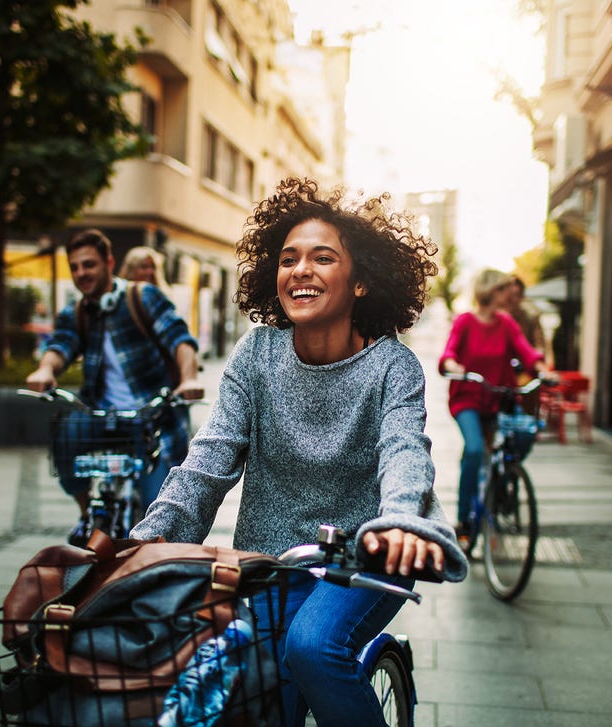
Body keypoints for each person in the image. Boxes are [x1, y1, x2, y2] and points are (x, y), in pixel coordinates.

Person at [131, 178, 468, 727]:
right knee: (258, 699)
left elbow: (405, 451)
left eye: (322, 258)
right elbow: (208, 461)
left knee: (312, 648)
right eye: (288, 259)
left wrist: (402, 521)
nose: (300, 270)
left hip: (366, 558)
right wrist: (150, 541)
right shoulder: (256, 354)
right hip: (270, 563)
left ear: (360, 282)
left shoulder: (392, 367)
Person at [25, 229, 204, 545]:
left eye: (89, 265)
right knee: (64, 438)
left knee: (157, 515)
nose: (82, 273)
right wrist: (44, 369)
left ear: (109, 262)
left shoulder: (142, 297)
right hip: (102, 415)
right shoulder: (77, 312)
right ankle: (86, 515)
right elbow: (60, 346)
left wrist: (189, 378)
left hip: (152, 418)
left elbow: (179, 339)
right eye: (76, 267)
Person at [438, 268, 546, 541]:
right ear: (490, 291)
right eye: (504, 288)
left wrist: (543, 369)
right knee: (474, 450)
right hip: (468, 399)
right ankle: (464, 521)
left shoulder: (507, 323)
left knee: (526, 434)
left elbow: (527, 351)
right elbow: (449, 352)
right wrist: (453, 365)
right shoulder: (465, 322)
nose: (510, 293)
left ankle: (504, 479)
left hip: (500, 397)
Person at [506, 275, 547, 361]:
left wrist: (537, 356)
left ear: (522, 297)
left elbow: (539, 345)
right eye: (510, 295)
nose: (512, 300)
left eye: (516, 295)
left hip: (524, 365)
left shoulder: (530, 316)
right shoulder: (494, 318)